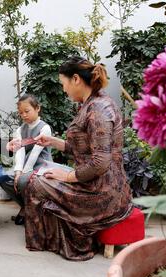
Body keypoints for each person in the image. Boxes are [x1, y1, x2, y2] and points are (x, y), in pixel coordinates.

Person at [21, 56, 132, 261]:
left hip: (102, 192)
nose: (64, 90)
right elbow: (83, 149)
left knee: (35, 183)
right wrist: (53, 141)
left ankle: (50, 241)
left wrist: (68, 176)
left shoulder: (98, 109)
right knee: (40, 177)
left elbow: (99, 162)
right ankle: (51, 238)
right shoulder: (93, 103)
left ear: (75, 79)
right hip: (96, 183)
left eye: (63, 84)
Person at [2, 94, 53, 225]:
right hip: (25, 164)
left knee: (23, 181)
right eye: (20, 113)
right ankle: (26, 206)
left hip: (41, 165)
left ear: (37, 108)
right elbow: (20, 150)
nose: (24, 115)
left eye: (27, 111)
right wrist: (18, 171)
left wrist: (23, 173)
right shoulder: (20, 129)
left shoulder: (44, 128)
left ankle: (31, 210)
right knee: (5, 178)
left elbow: (35, 153)